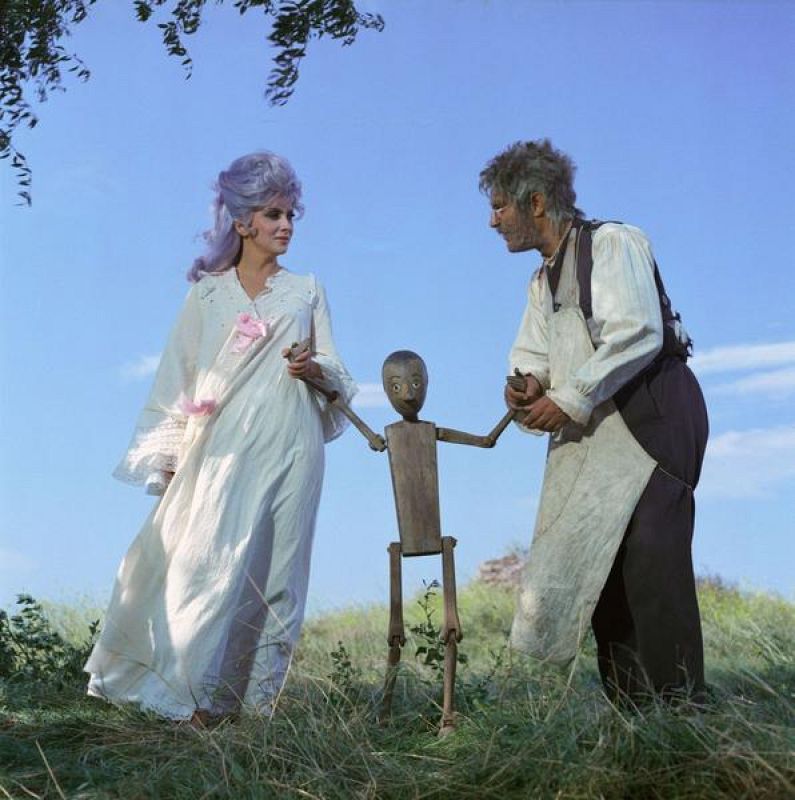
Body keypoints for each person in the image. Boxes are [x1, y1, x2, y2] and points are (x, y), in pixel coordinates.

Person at [85, 151, 356, 725]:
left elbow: (339, 375)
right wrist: (167, 457)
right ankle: (189, 697)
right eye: (274, 213)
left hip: (293, 444)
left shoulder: (306, 290)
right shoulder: (206, 295)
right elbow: (176, 380)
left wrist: (315, 368)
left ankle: (256, 713)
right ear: (242, 222)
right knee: (204, 565)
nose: (286, 224)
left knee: (280, 578)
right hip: (221, 451)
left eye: (291, 214)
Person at [480, 139, 708, 704]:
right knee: (601, 573)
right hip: (596, 436)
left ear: (536, 202)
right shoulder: (541, 283)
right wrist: (526, 388)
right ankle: (633, 720)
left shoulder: (612, 244)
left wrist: (569, 396)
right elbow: (533, 360)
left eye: (500, 206)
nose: (493, 221)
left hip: (651, 415)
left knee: (652, 565)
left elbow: (636, 333)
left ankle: (682, 717)